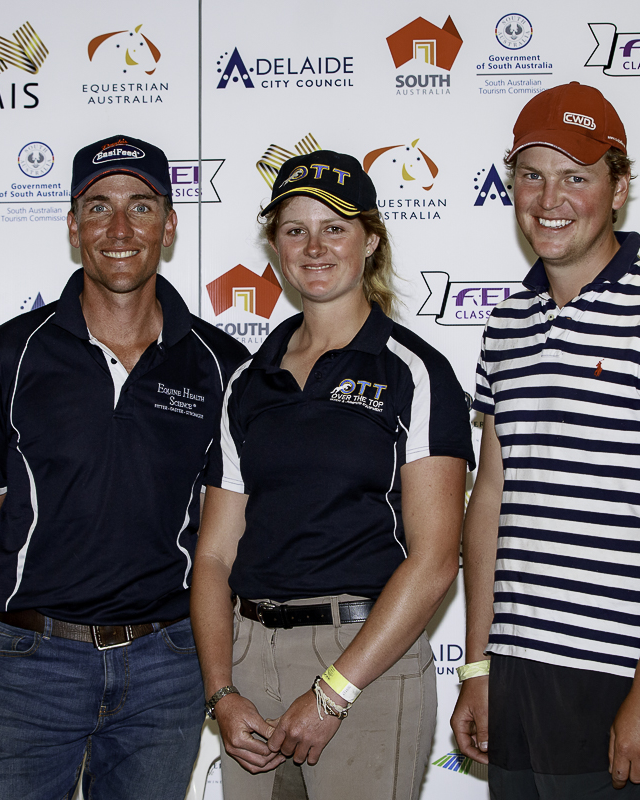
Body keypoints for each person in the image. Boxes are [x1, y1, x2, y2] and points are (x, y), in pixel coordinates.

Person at [449, 82, 640, 799]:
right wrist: (479, 667)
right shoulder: (506, 327)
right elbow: (490, 499)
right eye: (532, 175)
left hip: (619, 678)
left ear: (619, 185)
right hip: (515, 674)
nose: (550, 198)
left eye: (576, 176)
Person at [0, 134, 249, 800]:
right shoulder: (4, 356)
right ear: (73, 224)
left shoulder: (223, 367)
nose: (120, 228)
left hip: (168, 666)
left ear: (169, 225)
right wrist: (39, 615)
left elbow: (230, 531)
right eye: (99, 207)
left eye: (141, 207)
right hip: (32, 667)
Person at [191, 150, 475, 800]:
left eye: (335, 227)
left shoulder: (413, 371)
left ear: (370, 240)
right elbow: (211, 555)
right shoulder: (246, 380)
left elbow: (435, 560)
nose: (314, 247)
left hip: (365, 663)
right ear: (275, 244)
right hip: (248, 661)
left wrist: (332, 694)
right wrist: (221, 692)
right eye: (295, 230)